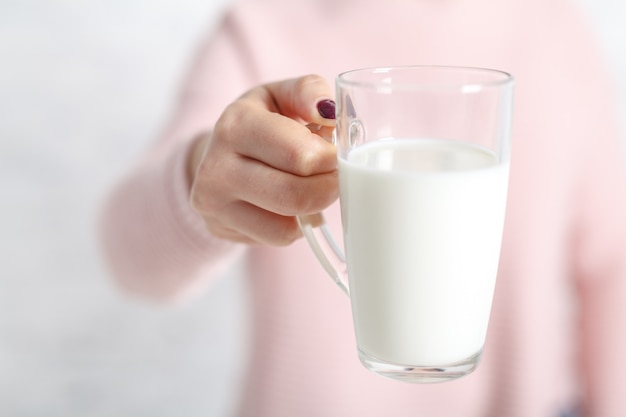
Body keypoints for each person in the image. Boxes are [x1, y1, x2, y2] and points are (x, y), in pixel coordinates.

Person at [100, 0, 626, 415]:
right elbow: (128, 257)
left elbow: (610, 262)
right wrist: (200, 177)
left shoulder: (557, 29)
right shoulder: (262, 27)